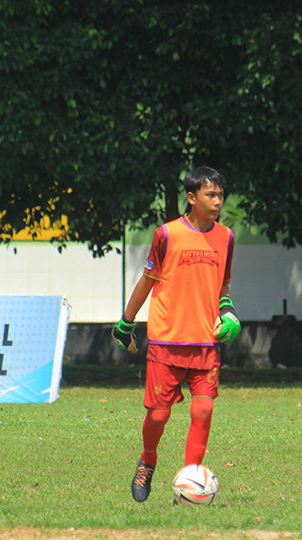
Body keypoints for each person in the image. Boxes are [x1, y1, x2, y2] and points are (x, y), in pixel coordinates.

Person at [111, 166, 241, 502]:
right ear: (191, 197)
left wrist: (227, 313)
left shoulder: (226, 236)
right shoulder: (166, 234)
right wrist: (126, 323)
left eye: (220, 195)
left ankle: (189, 483)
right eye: (210, 195)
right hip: (167, 340)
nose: (217, 201)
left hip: (205, 342)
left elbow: (222, 286)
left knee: (203, 410)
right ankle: (148, 461)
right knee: (158, 414)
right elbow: (147, 281)